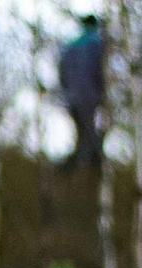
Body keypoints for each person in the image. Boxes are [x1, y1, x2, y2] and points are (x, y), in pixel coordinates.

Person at [59, 14, 106, 171]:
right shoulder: (95, 43)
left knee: (81, 126)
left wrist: (66, 91)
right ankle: (92, 159)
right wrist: (101, 90)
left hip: (72, 95)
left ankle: (81, 157)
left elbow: (63, 72)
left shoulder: (70, 46)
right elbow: (97, 70)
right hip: (88, 93)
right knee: (88, 126)